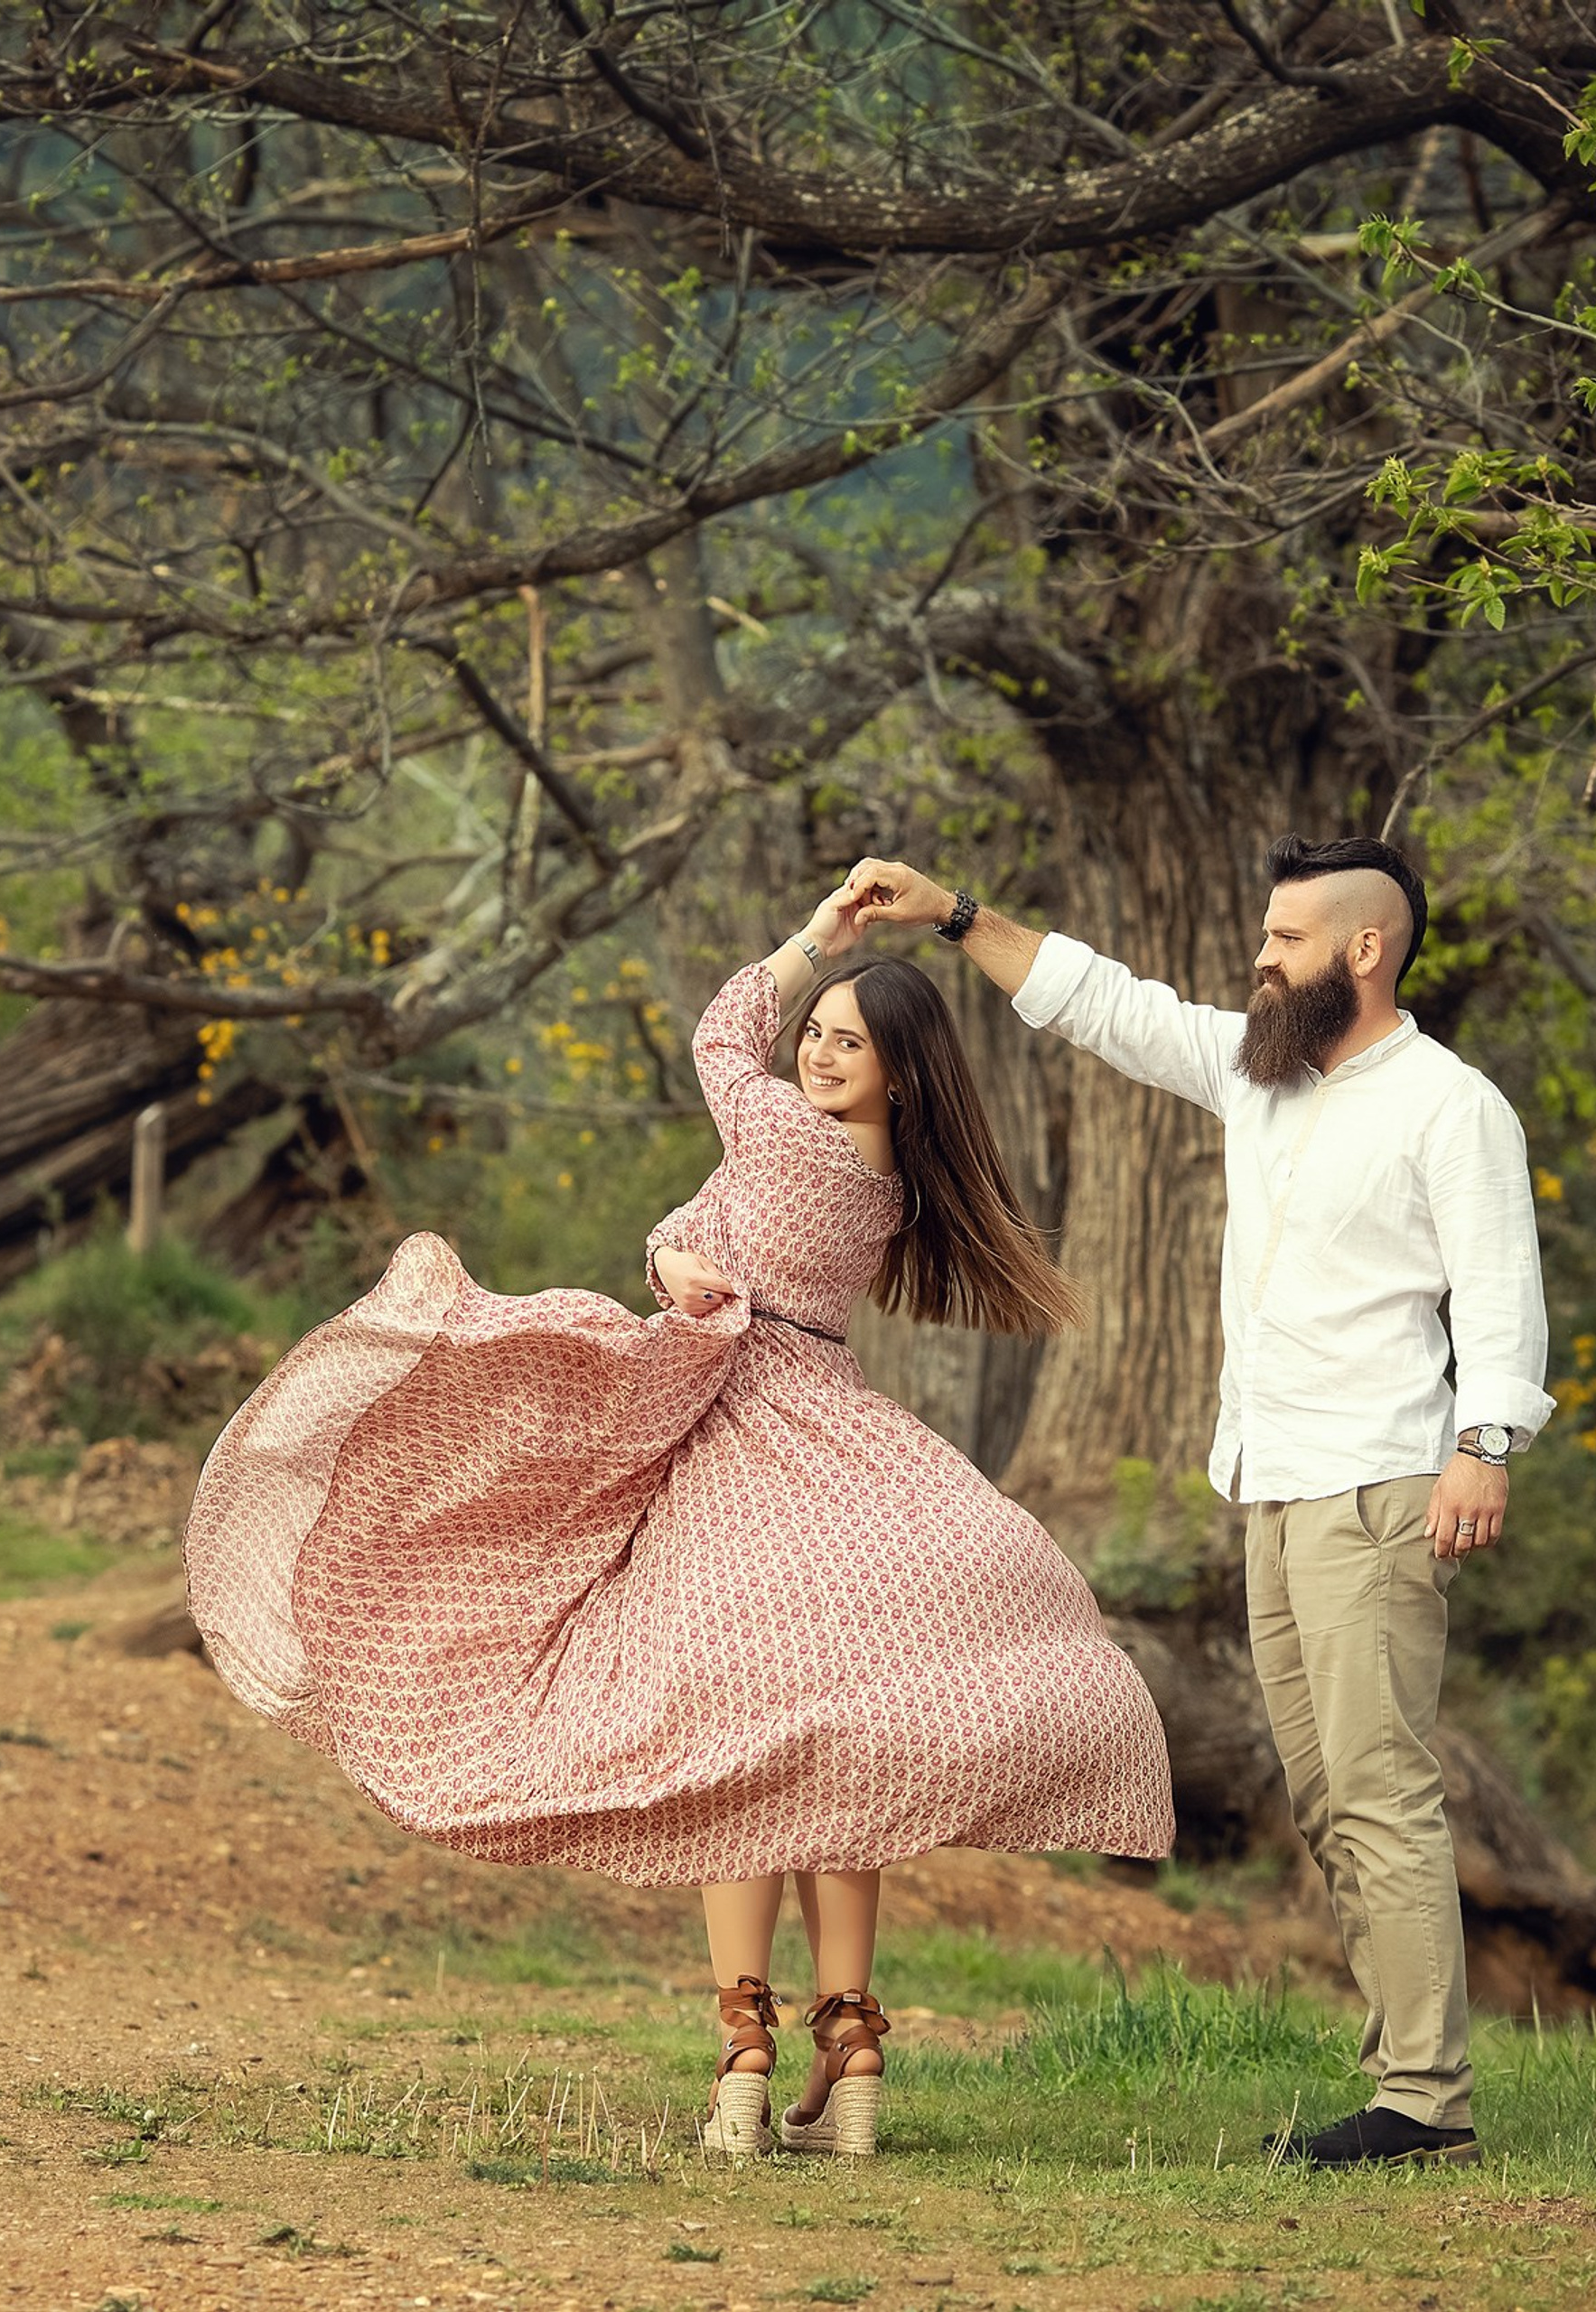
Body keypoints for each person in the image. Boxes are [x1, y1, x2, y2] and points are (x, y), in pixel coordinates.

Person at [183, 884, 1175, 2161]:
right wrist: (672, 1265)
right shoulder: (881, 1184)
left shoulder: (776, 1132)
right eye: (815, 1028)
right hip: (828, 1419)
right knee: (829, 1775)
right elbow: (710, 1227)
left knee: (728, 1756)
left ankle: (742, 2063)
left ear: (904, 1079)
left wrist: (821, 938)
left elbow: (720, 1030)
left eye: (846, 1040)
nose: (813, 1048)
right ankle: (852, 2053)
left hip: (744, 1443)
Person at [845, 838, 1554, 2170]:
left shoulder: (1452, 1106)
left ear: (1364, 950)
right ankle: (1400, 2077)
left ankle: (1425, 2105)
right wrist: (954, 914)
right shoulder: (1265, 1078)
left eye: (1286, 939)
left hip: (1382, 1481)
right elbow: (1108, 1003)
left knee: (1381, 1787)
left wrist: (1487, 1444)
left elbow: (1503, 1293)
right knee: (1326, 1796)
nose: (1259, 958)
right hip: (1274, 1484)